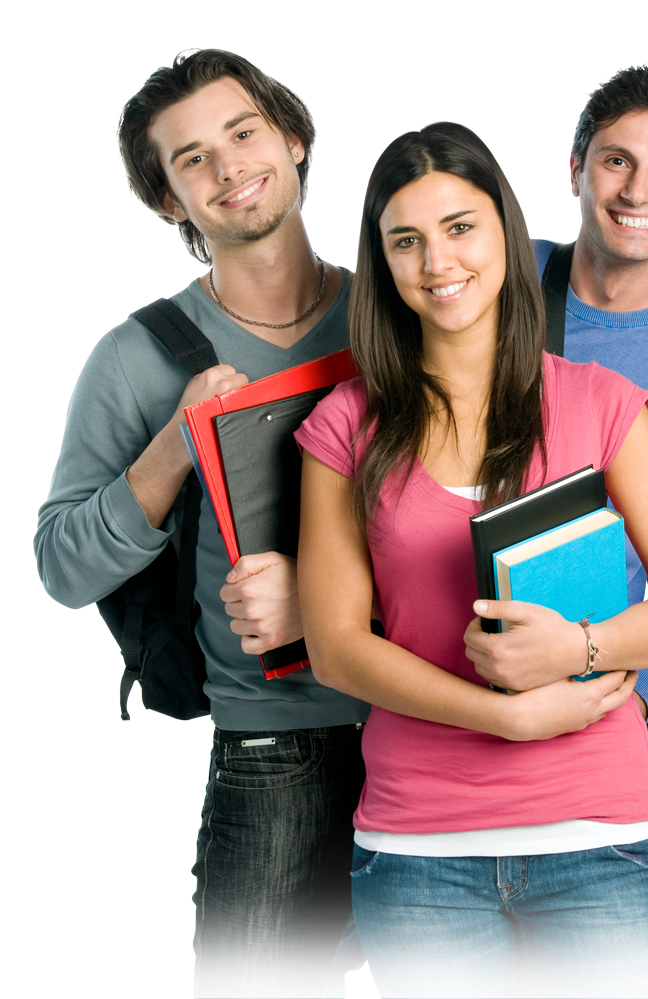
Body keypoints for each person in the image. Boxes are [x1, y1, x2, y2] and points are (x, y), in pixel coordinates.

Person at [295, 120, 648, 998]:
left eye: (460, 227)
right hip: (420, 854)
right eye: (404, 240)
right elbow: (336, 644)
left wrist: (579, 650)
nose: (437, 261)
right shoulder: (346, 422)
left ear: (505, 231)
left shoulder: (600, 404)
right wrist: (504, 717)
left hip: (600, 836)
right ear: (381, 264)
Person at [34, 48, 367, 999]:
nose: (228, 168)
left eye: (244, 133)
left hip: (432, 727)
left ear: (297, 140)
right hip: (273, 758)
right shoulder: (138, 357)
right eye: (191, 160)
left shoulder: (400, 310)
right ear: (169, 202)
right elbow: (61, 565)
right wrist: (176, 444)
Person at [466, 64, 648, 723]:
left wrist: (620, 706)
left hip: (584, 689)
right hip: (430, 662)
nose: (637, 191)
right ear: (576, 170)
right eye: (617, 160)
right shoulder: (493, 276)